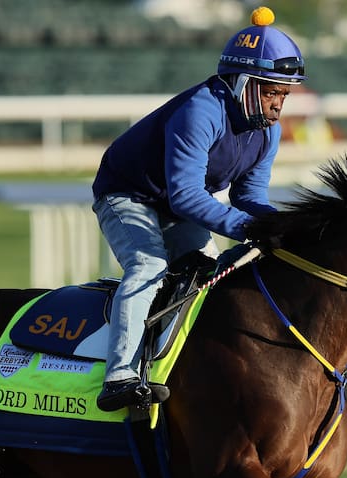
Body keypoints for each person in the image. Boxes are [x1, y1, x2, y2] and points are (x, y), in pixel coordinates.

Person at [91, 6, 307, 412]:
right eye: (272, 91)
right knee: (149, 266)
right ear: (242, 83)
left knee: (208, 274)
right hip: (127, 196)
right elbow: (187, 197)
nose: (279, 105)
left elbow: (249, 197)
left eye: (284, 94)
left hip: (173, 203)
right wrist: (248, 227)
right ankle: (119, 376)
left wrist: (281, 224)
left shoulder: (267, 132)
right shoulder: (200, 111)